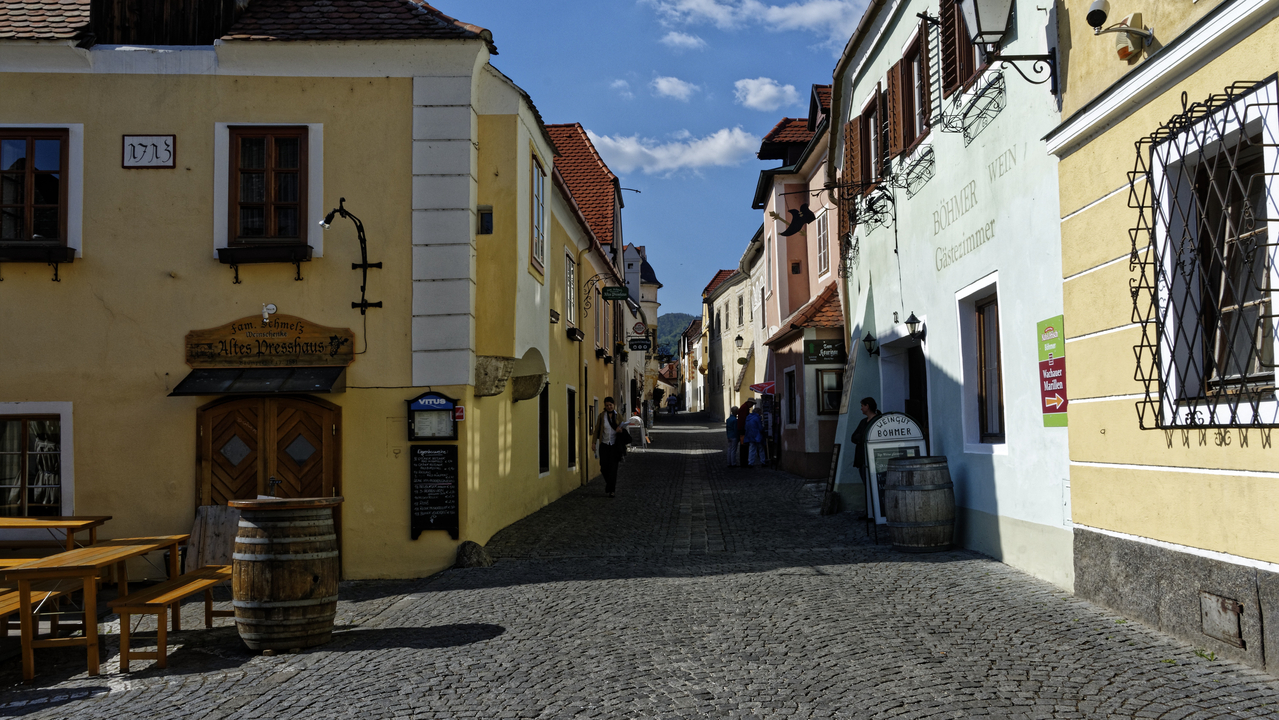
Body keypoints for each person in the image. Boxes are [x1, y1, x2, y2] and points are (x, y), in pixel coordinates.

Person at [591, 397, 627, 497]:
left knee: (613, 468)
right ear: (605, 406)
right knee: (603, 467)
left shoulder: (618, 416)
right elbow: (597, 430)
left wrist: (621, 431)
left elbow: (623, 429)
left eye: (610, 405)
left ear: (613, 405)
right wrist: (594, 442)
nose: (609, 407)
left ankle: (612, 490)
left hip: (615, 445)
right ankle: (609, 485)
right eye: (607, 405)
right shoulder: (601, 416)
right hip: (604, 444)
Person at [850, 397, 882, 504]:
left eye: (862, 406)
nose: (861, 408)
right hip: (862, 459)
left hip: (873, 459)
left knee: (874, 486)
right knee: (867, 485)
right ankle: (870, 512)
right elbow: (854, 437)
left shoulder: (877, 420)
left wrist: (862, 437)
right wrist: (862, 437)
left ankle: (876, 511)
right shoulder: (863, 421)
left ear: (867, 406)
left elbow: (871, 437)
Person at [744, 404, 766, 468]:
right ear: (758, 412)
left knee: (751, 449)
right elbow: (760, 428)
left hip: (750, 436)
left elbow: (746, 427)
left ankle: (750, 463)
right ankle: (763, 462)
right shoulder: (757, 418)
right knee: (761, 449)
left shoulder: (748, 417)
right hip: (757, 436)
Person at [737, 399, 755, 466]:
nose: (752, 406)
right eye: (752, 404)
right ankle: (744, 462)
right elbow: (745, 419)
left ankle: (744, 461)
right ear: (749, 402)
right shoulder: (745, 408)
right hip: (743, 429)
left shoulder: (744, 407)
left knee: (744, 445)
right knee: (744, 445)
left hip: (742, 429)